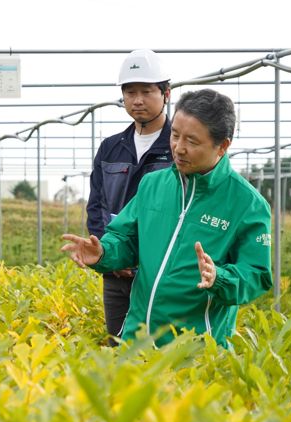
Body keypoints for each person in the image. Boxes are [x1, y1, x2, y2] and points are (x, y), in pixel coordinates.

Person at [62, 88, 273, 347]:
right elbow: (126, 238)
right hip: (136, 344)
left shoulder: (247, 204)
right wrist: (104, 252)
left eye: (192, 141)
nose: (178, 148)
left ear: (223, 145)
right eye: (175, 135)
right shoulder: (153, 184)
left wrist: (219, 277)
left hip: (196, 352)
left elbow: (257, 274)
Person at [86, 49, 174, 343]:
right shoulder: (111, 148)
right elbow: (97, 206)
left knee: (162, 351)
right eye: (130, 92)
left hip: (161, 274)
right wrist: (111, 255)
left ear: (166, 94)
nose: (137, 100)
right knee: (118, 347)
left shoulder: (180, 148)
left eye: (147, 91)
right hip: (116, 274)